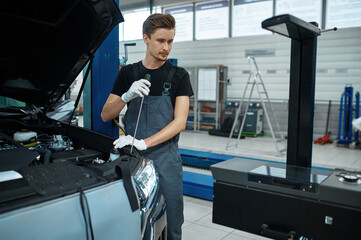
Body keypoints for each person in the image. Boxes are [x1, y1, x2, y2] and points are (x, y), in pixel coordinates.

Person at [101, 13, 193, 240]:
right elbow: (106, 115)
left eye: (170, 41)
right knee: (133, 216)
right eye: (161, 41)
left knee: (173, 218)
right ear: (145, 38)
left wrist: (144, 142)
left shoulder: (179, 76)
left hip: (166, 158)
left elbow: (180, 122)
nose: (166, 47)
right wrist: (126, 95)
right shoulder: (128, 74)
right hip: (133, 159)